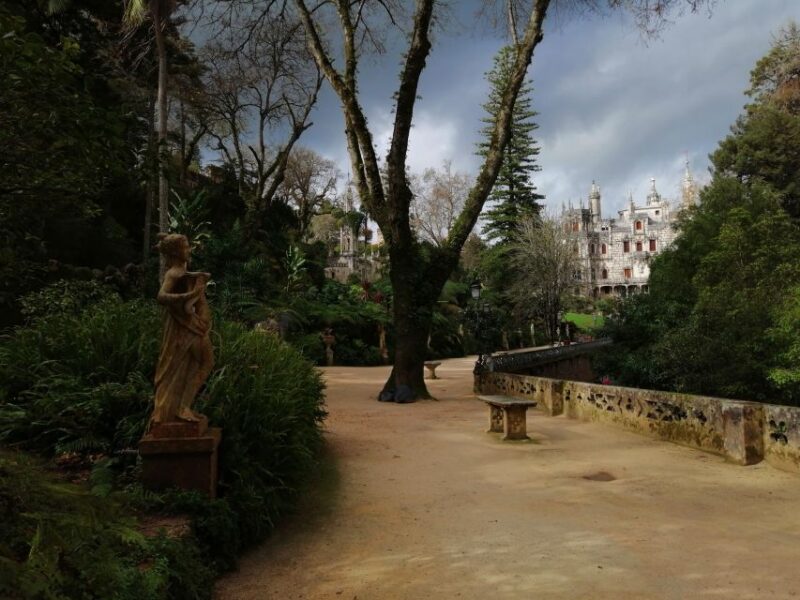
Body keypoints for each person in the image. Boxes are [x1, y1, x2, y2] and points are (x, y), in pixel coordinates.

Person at [150, 233, 214, 425]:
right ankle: (181, 407)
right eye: (186, 247)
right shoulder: (174, 273)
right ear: (177, 252)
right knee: (206, 362)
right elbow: (161, 296)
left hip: (195, 326)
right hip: (185, 329)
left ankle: (183, 407)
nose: (189, 250)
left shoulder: (184, 272)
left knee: (199, 364)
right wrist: (189, 295)